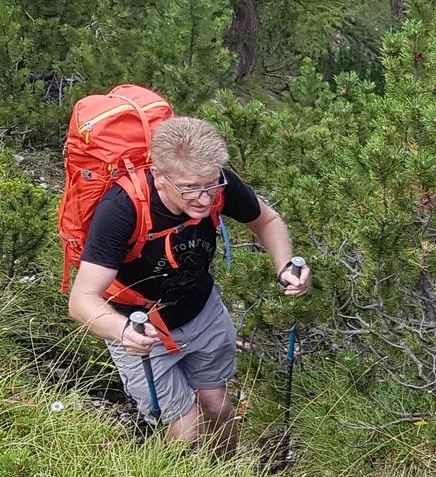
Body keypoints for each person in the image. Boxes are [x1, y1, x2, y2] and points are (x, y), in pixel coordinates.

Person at [67, 117, 310, 448]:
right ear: (159, 176)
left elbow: (266, 219)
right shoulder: (122, 209)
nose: (205, 199)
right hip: (140, 327)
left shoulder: (216, 181)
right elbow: (82, 300)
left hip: (201, 310)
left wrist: (284, 267)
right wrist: (123, 331)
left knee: (218, 407)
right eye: (190, 188)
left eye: (211, 185)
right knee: (185, 426)